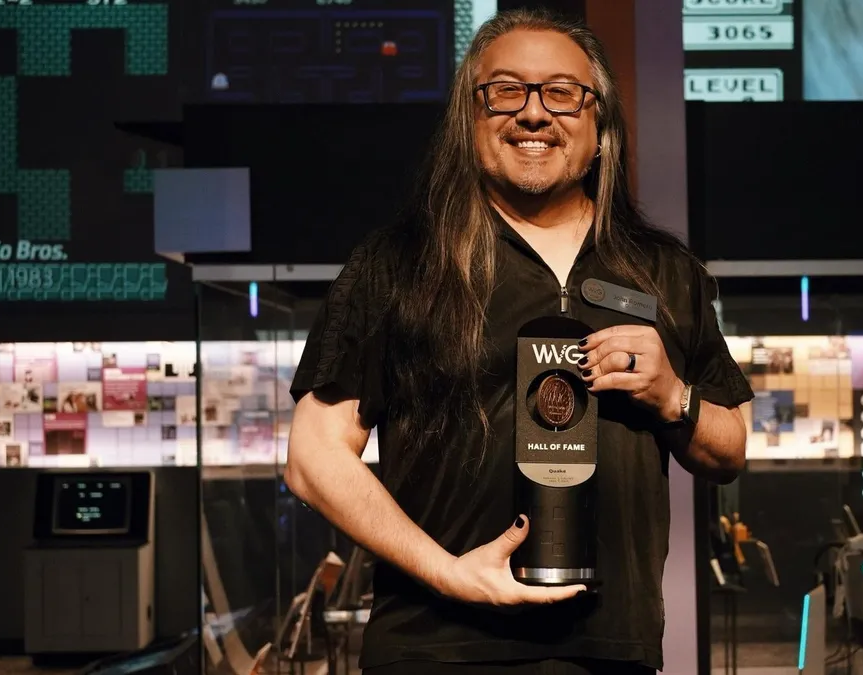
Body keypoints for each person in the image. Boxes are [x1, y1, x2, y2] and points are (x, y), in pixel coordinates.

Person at [285, 8, 751, 675]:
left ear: (599, 124)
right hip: (434, 648)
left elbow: (730, 446)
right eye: (506, 91)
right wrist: (448, 572)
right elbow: (313, 456)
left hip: (610, 652)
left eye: (561, 92)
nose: (534, 113)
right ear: (468, 118)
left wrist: (673, 394)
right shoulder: (398, 263)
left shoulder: (665, 271)